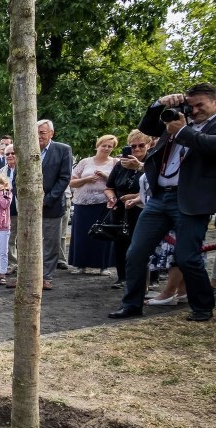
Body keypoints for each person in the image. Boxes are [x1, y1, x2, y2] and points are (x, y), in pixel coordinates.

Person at [110, 83, 216, 322]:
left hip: (191, 199)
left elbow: (211, 147)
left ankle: (202, 306)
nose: (195, 110)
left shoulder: (193, 127)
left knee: (187, 256)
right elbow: (146, 127)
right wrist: (160, 104)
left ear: (214, 102)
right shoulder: (177, 121)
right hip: (160, 197)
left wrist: (182, 131)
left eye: (201, 105)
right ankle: (132, 305)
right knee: (136, 253)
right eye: (191, 105)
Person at [103, 130, 151, 289]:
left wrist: (136, 196)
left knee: (141, 244)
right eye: (133, 146)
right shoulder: (120, 164)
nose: (136, 149)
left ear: (148, 145)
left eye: (141, 145)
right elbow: (109, 187)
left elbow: (155, 186)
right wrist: (111, 197)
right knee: (120, 244)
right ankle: (122, 276)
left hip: (142, 209)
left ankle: (148, 278)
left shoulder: (152, 163)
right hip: (120, 210)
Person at [68, 134, 118, 275]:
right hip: (83, 203)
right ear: (98, 146)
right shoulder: (85, 162)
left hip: (104, 204)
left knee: (103, 235)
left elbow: (119, 181)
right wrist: (87, 179)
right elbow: (72, 181)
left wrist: (106, 177)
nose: (106, 148)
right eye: (104, 145)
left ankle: (104, 266)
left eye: (110, 146)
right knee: (81, 234)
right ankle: (80, 264)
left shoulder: (115, 162)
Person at [37, 119, 73, 291]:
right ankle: (31, 275)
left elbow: (65, 178)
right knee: (29, 242)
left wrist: (47, 199)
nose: (38, 136)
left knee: (51, 242)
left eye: (42, 133)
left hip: (52, 205)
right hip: (30, 207)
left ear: (51, 133)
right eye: (35, 132)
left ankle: (46, 276)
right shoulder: (26, 149)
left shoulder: (62, 150)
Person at [1, 144, 18, 274]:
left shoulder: (26, 168)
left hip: (24, 208)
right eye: (7, 154)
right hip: (8, 209)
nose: (10, 156)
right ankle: (13, 263)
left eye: (13, 153)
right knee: (10, 238)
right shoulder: (2, 171)